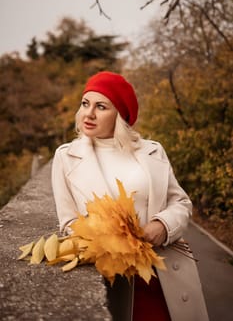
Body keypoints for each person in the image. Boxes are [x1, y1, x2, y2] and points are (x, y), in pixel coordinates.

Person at [51, 71, 209, 321]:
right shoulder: (66, 157)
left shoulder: (152, 151)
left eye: (101, 106)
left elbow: (180, 202)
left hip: (164, 275)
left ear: (121, 116)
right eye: (85, 104)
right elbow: (69, 223)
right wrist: (110, 241)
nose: (88, 114)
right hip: (113, 278)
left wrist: (163, 225)